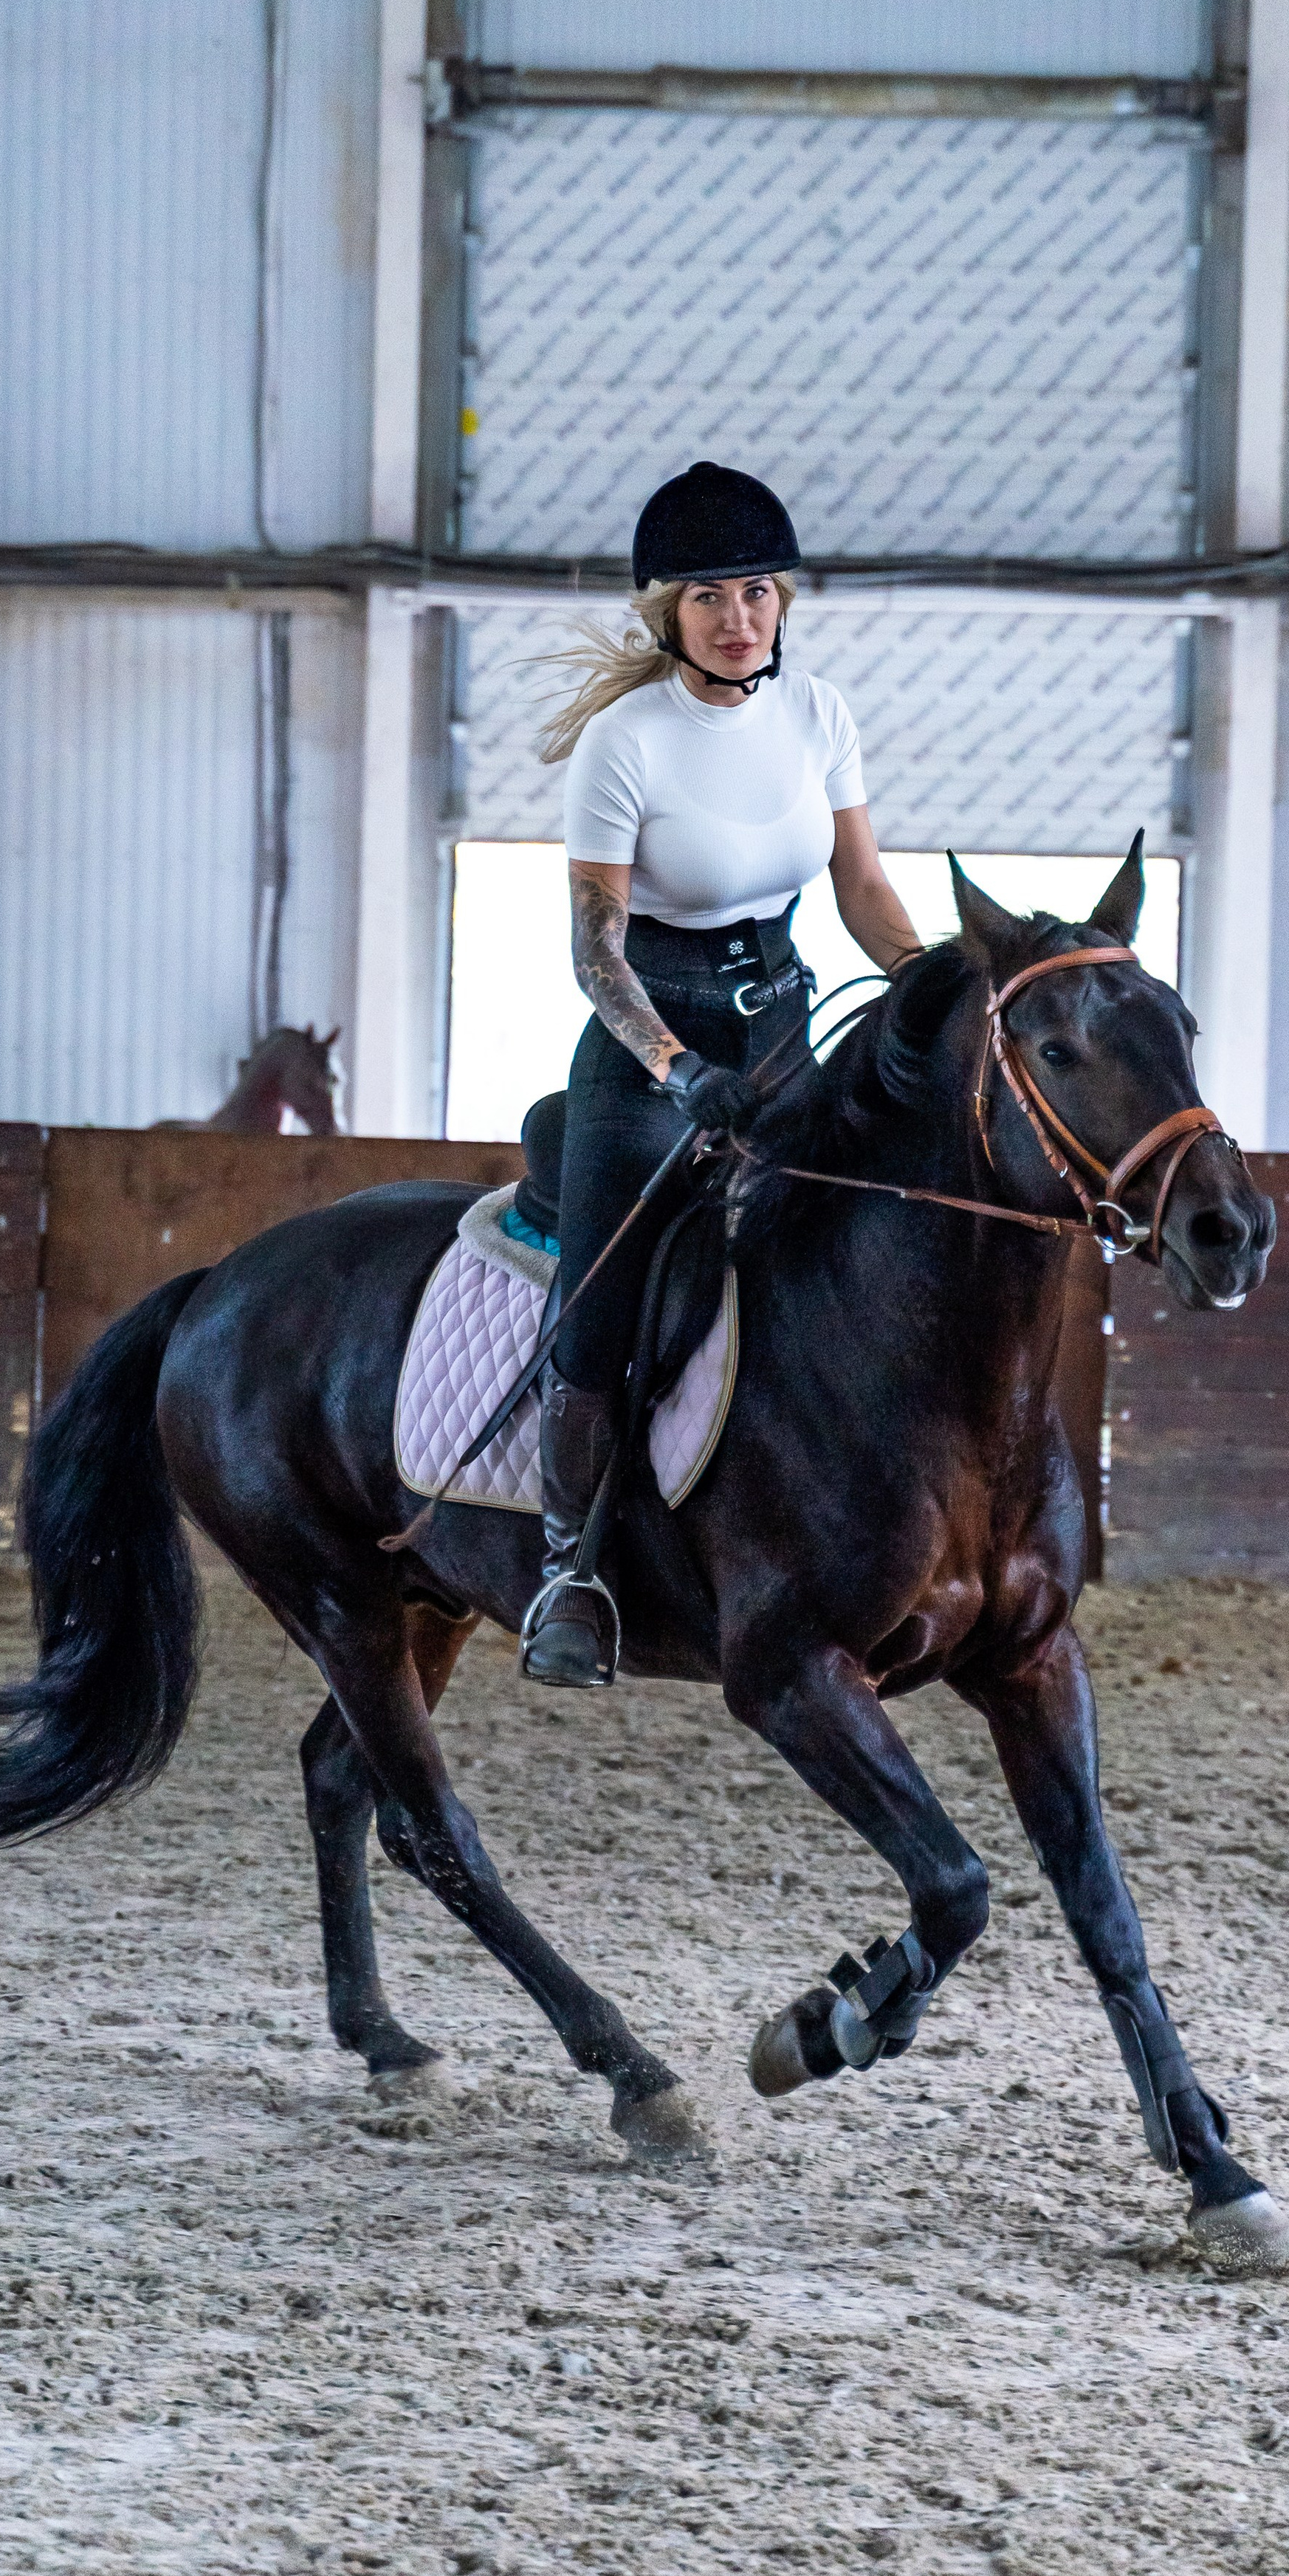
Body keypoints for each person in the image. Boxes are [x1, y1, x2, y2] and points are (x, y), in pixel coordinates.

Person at [520, 459, 926, 1687]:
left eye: (757, 590)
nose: (739, 615)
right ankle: (567, 1570)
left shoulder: (822, 716)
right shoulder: (624, 741)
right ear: (669, 615)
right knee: (600, 1306)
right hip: (652, 1045)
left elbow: (857, 885)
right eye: (710, 595)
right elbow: (595, 951)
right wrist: (672, 1064)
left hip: (786, 1024)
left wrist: (932, 979)